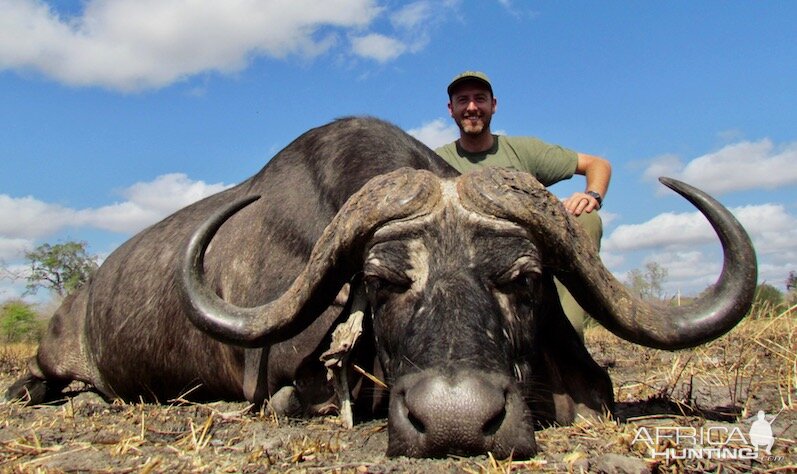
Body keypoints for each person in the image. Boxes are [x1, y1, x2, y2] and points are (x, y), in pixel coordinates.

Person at [435, 71, 611, 338]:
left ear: (494, 105)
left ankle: (569, 334)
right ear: (451, 109)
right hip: (468, 265)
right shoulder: (434, 161)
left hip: (526, 254)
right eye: (463, 100)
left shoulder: (523, 150)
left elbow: (597, 164)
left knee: (586, 219)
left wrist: (592, 197)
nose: (472, 107)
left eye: (480, 99)